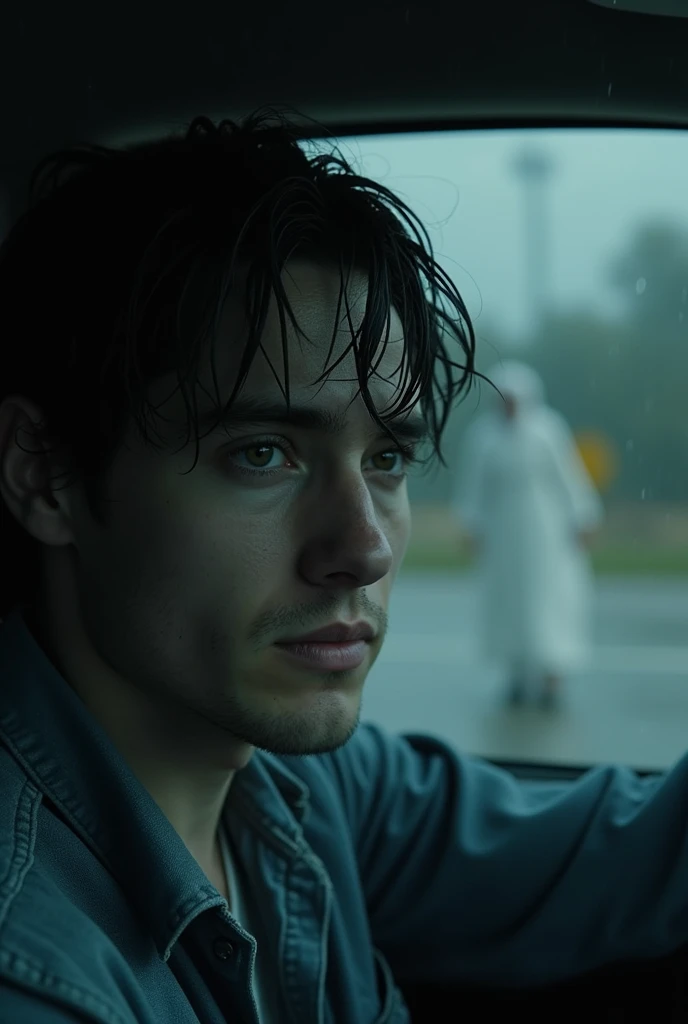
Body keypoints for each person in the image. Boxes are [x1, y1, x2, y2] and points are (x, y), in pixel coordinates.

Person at [0, 113, 687, 1024]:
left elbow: (637, 854)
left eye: (388, 460)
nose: (363, 547)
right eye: (262, 455)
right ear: (45, 474)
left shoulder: (299, 784)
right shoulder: (38, 966)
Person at [453, 360, 603, 709]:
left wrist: (583, 517)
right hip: (503, 531)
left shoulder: (549, 430)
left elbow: (571, 479)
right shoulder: (483, 435)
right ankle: (517, 674)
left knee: (549, 597)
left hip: (545, 530)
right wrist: (470, 523)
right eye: (503, 399)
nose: (508, 406)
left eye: (514, 399)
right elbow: (473, 486)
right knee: (509, 600)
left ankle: (552, 676)